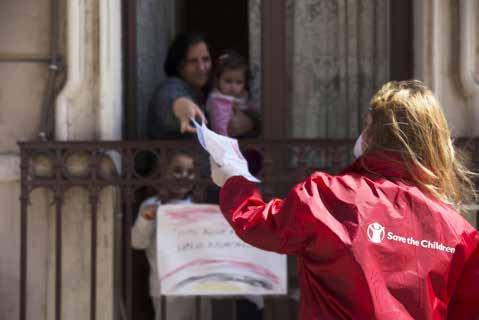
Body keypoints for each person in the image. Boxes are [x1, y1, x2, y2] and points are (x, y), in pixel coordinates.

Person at [210, 80, 479, 319]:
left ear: (374, 130)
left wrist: (234, 178)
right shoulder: (459, 234)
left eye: (366, 123)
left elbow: (259, 223)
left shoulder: (329, 197)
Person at [131, 150, 211, 320]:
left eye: (190, 172)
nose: (184, 176)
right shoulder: (151, 205)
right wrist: (146, 218)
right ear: (163, 172)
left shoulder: (198, 206)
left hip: (200, 286)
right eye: (177, 170)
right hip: (169, 289)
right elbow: (138, 242)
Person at [147, 32, 257, 139]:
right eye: (193, 61)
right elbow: (168, 98)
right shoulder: (172, 86)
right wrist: (180, 105)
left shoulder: (214, 91)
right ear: (179, 65)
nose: (201, 68)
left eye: (205, 59)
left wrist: (250, 122)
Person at [206, 50, 257, 136]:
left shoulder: (244, 97)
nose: (233, 87)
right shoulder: (217, 101)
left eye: (239, 82)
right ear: (218, 80)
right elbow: (219, 126)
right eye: (228, 81)